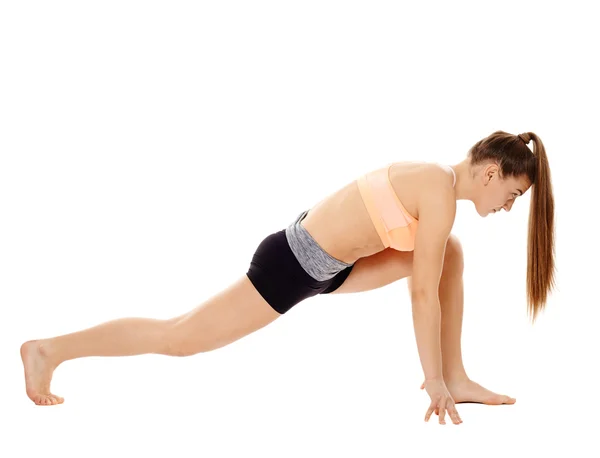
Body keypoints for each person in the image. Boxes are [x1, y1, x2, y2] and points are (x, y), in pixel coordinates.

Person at [20, 130, 555, 426]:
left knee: (451, 254)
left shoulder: (437, 187)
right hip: (291, 264)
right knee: (179, 337)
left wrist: (444, 376)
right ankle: (51, 350)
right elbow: (421, 293)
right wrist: (428, 380)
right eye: (512, 196)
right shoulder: (438, 193)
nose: (508, 207)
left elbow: (420, 266)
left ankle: (458, 376)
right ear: (490, 173)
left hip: (333, 268)